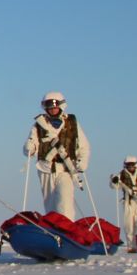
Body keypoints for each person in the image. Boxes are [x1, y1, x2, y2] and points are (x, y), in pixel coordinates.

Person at [24, 91, 90, 219]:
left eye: (55, 106)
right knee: (50, 206)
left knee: (65, 203)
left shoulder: (71, 123)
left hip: (65, 169)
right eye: (49, 107)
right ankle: (54, 233)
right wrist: (29, 148)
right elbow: (31, 145)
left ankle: (67, 229)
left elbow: (84, 146)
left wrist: (82, 163)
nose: (52, 109)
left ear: (61, 106)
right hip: (45, 169)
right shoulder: (39, 124)